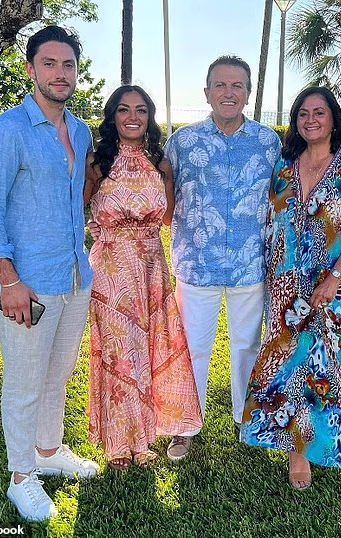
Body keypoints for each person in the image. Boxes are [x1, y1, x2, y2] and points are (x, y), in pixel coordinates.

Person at [0, 26, 99, 521]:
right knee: (24, 383)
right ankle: (21, 476)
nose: (60, 73)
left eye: (68, 65)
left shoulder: (80, 131)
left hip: (75, 275)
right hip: (28, 282)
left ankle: (48, 450)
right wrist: (8, 281)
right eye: (49, 63)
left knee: (57, 374)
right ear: (30, 69)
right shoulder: (4, 133)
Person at [239, 87, 341, 489]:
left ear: (334, 119)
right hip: (287, 286)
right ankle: (297, 452)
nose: (311, 120)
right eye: (303, 113)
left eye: (319, 112)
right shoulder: (284, 166)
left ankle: (329, 444)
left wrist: (334, 277)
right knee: (289, 366)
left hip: (338, 287)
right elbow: (273, 223)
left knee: (331, 367)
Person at [163, 55, 282, 461]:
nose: (228, 93)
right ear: (207, 92)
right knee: (193, 347)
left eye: (237, 86)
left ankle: (246, 419)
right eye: (220, 85)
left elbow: (281, 197)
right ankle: (185, 426)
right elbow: (165, 195)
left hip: (250, 264)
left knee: (247, 346)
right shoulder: (182, 142)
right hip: (197, 265)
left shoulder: (269, 142)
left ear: (248, 93)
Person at [84, 86, 203, 470]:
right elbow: (77, 209)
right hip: (112, 269)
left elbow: (166, 217)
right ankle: (119, 444)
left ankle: (143, 438)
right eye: (124, 109)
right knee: (120, 355)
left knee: (148, 351)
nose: (132, 117)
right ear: (112, 116)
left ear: (149, 116)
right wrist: (98, 228)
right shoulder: (97, 161)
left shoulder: (160, 161)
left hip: (152, 266)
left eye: (140, 110)